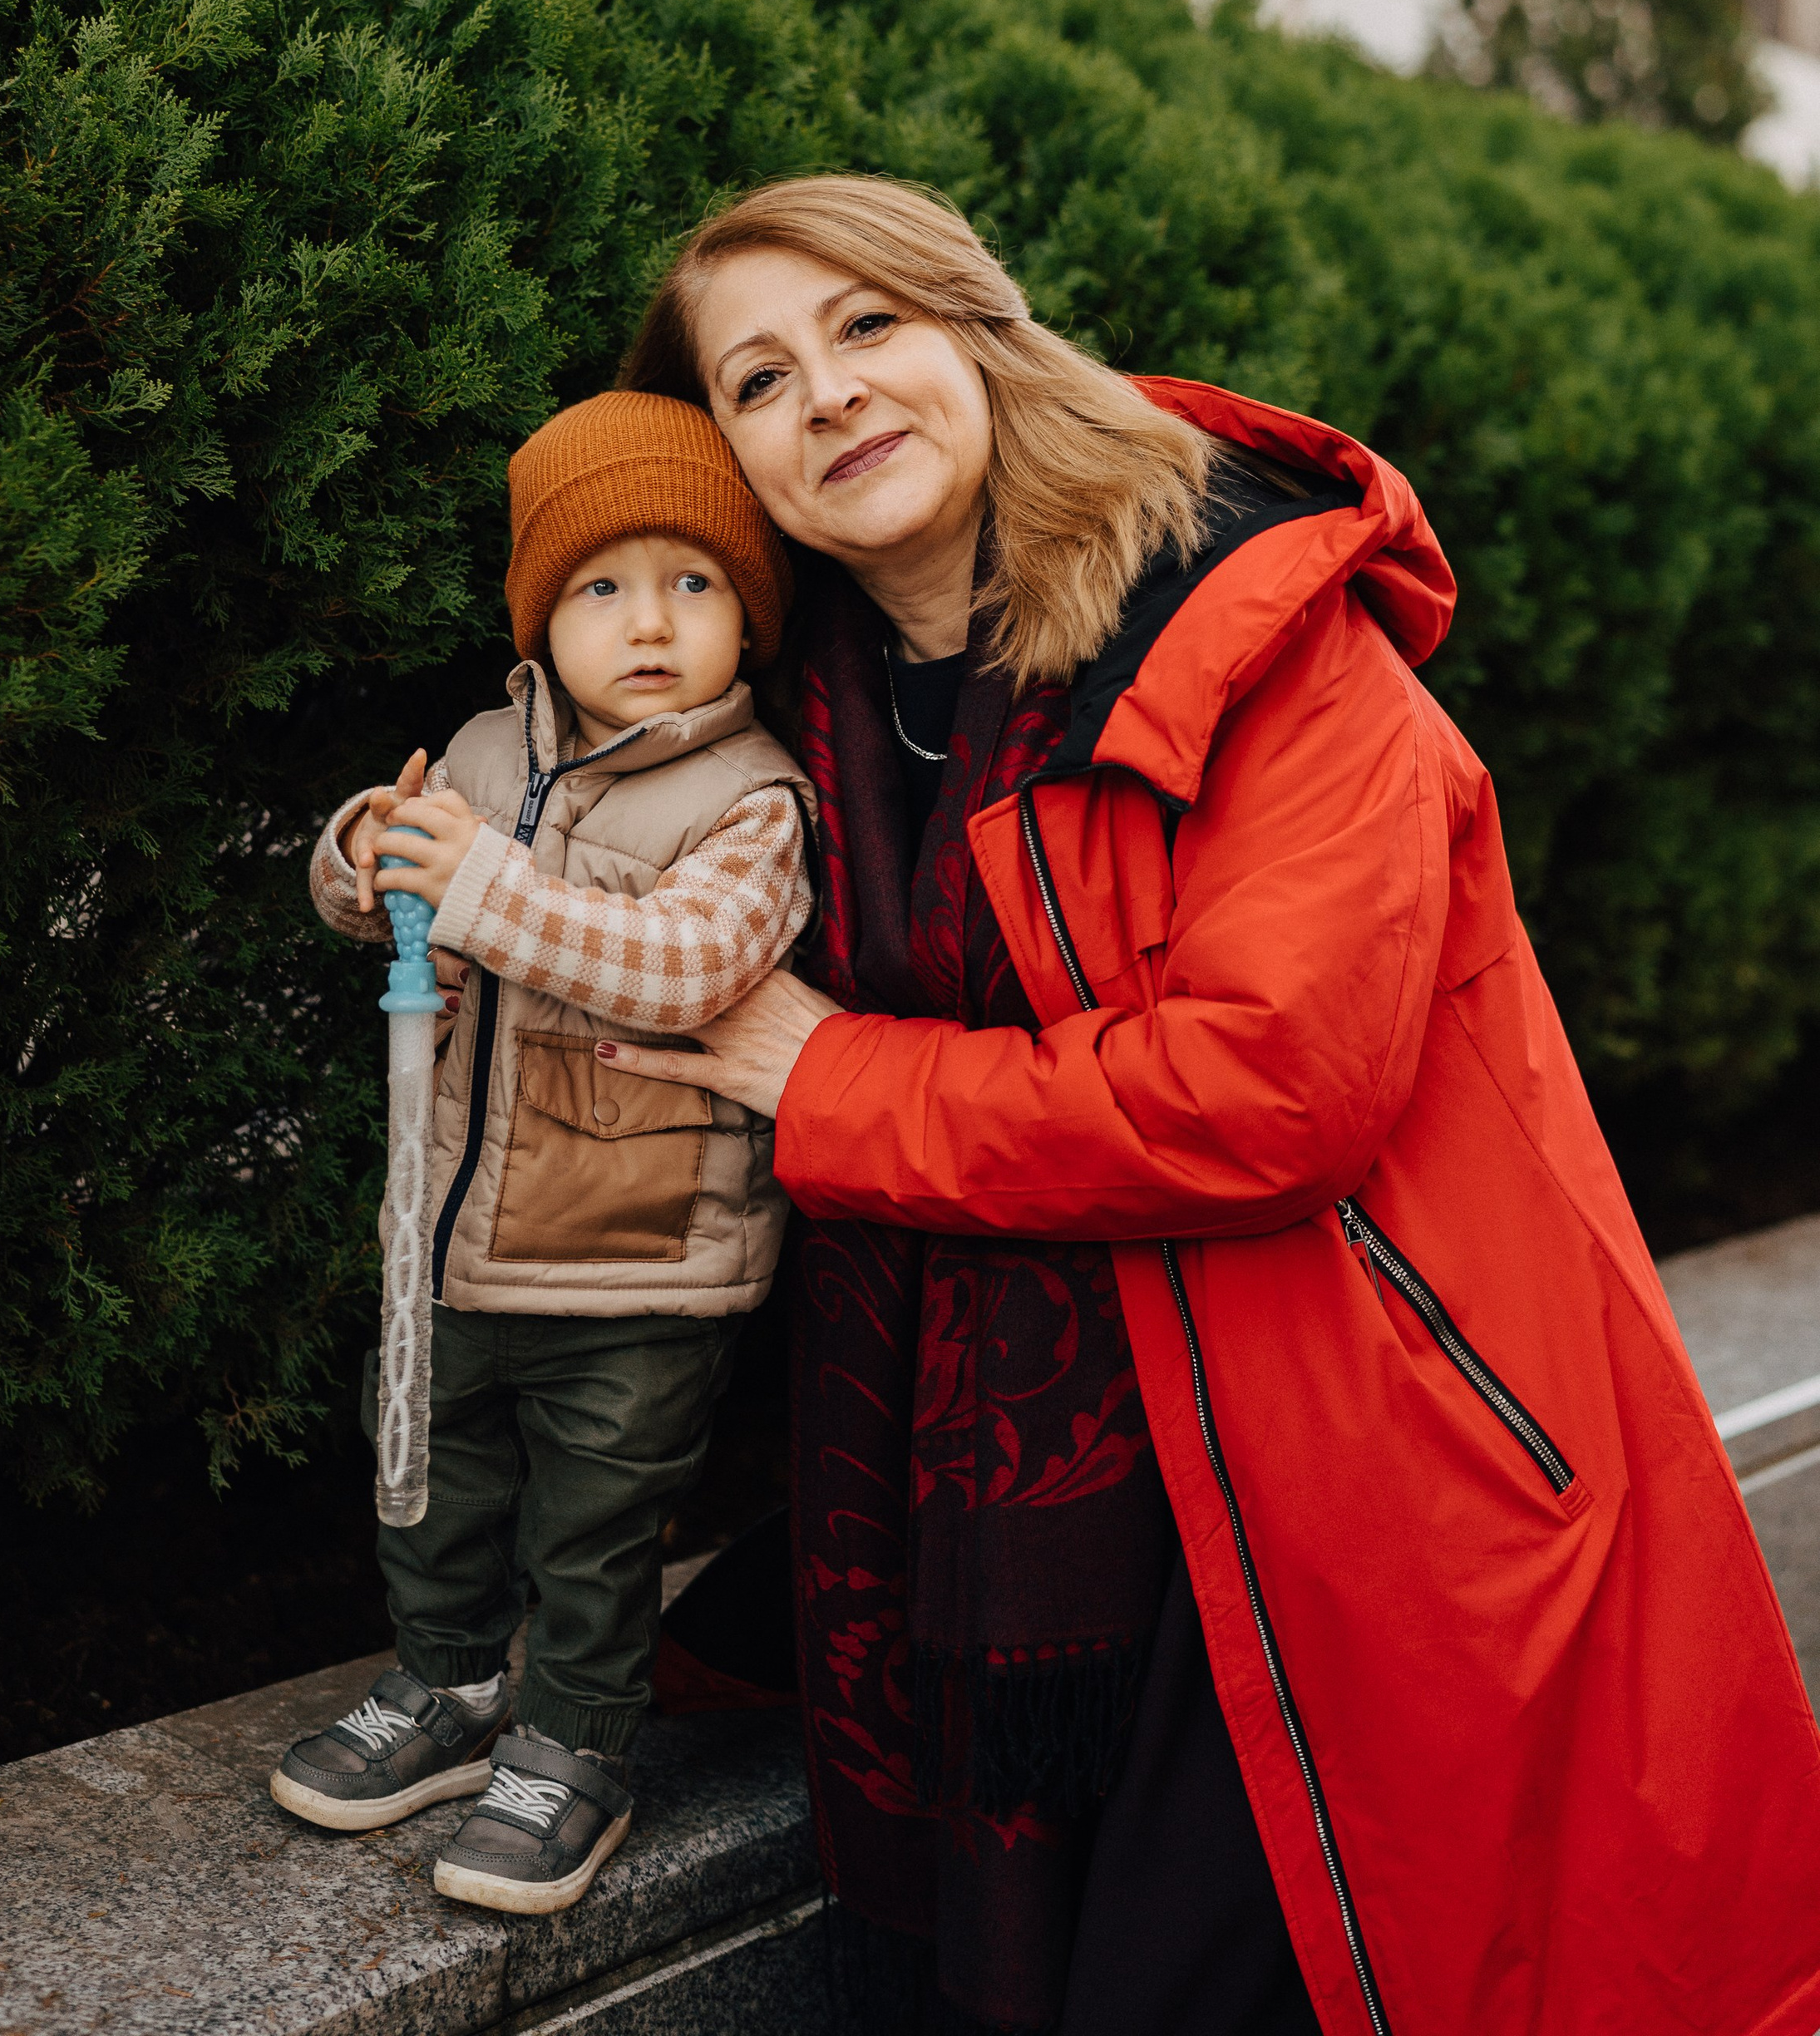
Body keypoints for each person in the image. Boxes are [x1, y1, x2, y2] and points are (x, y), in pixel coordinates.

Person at [599, 172, 1820, 2036]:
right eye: (756, 381)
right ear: (730, 466)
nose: (827, 395)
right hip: (1026, 1527)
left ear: (980, 341)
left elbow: (1271, 1089)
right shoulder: (798, 731)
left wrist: (823, 1073)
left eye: (867, 329)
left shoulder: (1256, 632)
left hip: (1350, 1480)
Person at [269, 391, 811, 1915]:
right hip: (456, 1230)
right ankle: (444, 1693)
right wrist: (368, 855)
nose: (650, 620)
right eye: (602, 586)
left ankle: (571, 1749)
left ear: (748, 611)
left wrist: (486, 886)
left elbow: (683, 968)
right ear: (541, 613)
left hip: (639, 1260)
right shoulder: (485, 750)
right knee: (430, 1487)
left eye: (694, 582)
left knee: (594, 1529)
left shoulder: (755, 801)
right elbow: (395, 903)